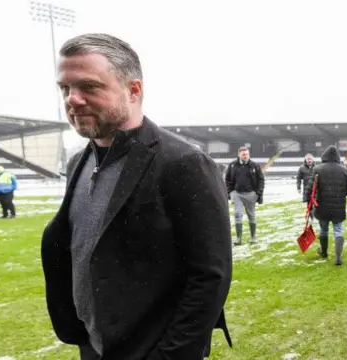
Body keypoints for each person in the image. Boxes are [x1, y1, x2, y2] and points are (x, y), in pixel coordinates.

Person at [41, 33, 232, 360]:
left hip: (152, 351)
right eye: (65, 89)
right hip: (95, 346)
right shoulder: (79, 161)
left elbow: (209, 277)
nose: (72, 99)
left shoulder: (182, 163)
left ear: (133, 90)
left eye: (89, 87)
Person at [304, 145, 347, 265]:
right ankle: (338, 257)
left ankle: (324, 252)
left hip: (322, 205)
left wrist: (307, 201)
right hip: (338, 206)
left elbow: (310, 187)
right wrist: (340, 196)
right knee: (338, 230)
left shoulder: (318, 169)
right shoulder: (344, 169)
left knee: (324, 229)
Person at [225, 146, 265, 245]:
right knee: (238, 215)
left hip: (251, 194)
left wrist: (258, 193)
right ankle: (238, 239)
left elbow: (261, 179)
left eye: (247, 154)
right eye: (243, 154)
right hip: (237, 194)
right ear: (239, 154)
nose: (245, 156)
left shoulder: (255, 165)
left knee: (251, 216)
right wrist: (231, 192)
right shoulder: (232, 165)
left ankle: (253, 237)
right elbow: (227, 179)